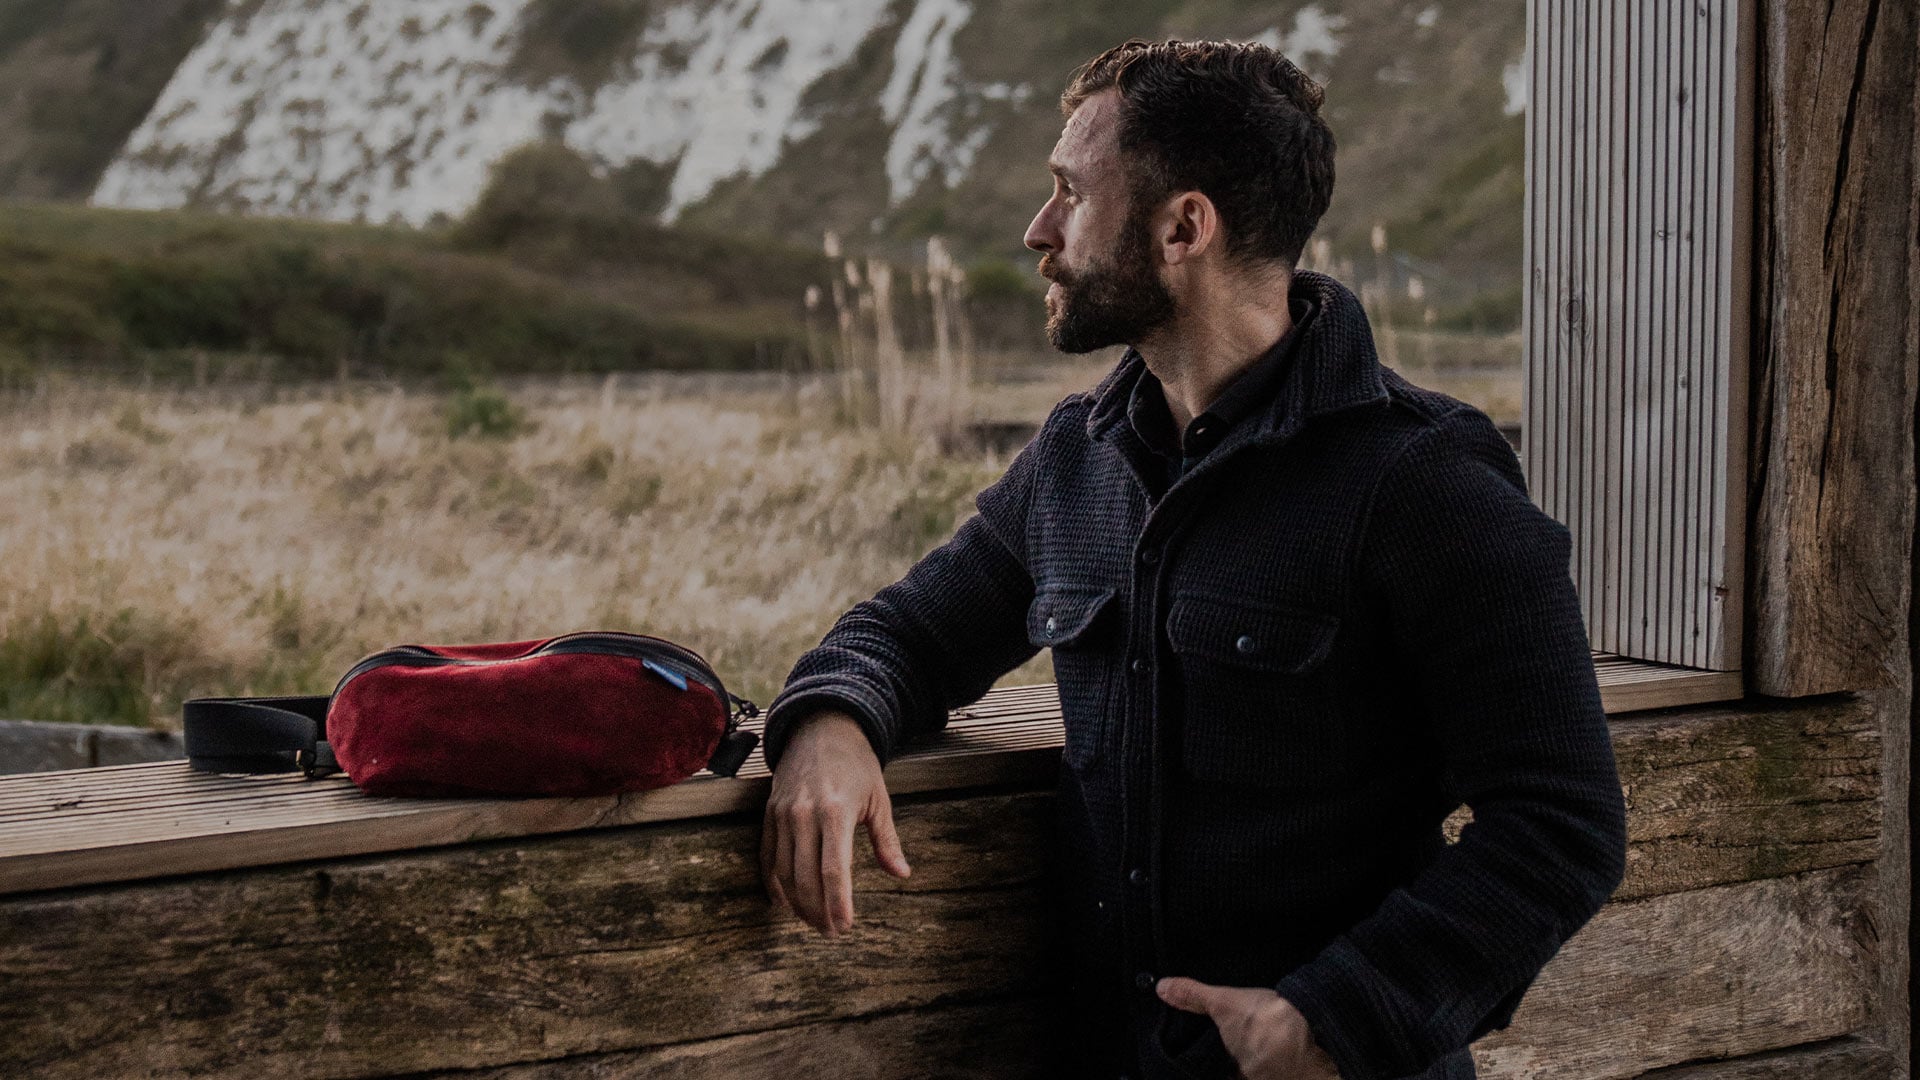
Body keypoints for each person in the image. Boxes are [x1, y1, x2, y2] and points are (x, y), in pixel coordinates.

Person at [756, 38, 1627, 1080]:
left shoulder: (1425, 480)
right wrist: (831, 723)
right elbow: (910, 632)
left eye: (1071, 192)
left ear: (1183, 228)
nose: (1039, 230)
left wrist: (1332, 1021)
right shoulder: (1075, 459)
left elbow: (1562, 822)